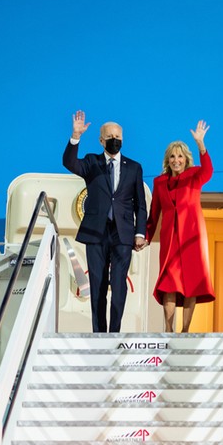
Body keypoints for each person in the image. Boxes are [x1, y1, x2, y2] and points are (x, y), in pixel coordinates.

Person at [63, 110, 147, 333]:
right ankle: (99, 334)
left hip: (123, 234)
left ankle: (114, 333)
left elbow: (140, 204)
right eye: (110, 137)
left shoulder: (134, 167)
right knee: (98, 285)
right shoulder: (92, 162)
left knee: (119, 284)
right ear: (101, 140)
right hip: (96, 233)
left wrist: (140, 233)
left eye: (118, 137)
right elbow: (70, 162)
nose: (114, 140)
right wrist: (75, 137)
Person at [146, 120, 215, 333]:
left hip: (192, 237)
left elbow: (209, 170)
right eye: (172, 156)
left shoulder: (195, 176)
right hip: (170, 240)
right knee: (169, 283)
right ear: (168, 160)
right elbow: (154, 214)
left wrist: (201, 144)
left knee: (191, 283)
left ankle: (185, 331)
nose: (176, 160)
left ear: (186, 159)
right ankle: (168, 329)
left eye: (180, 156)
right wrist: (146, 237)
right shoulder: (159, 182)